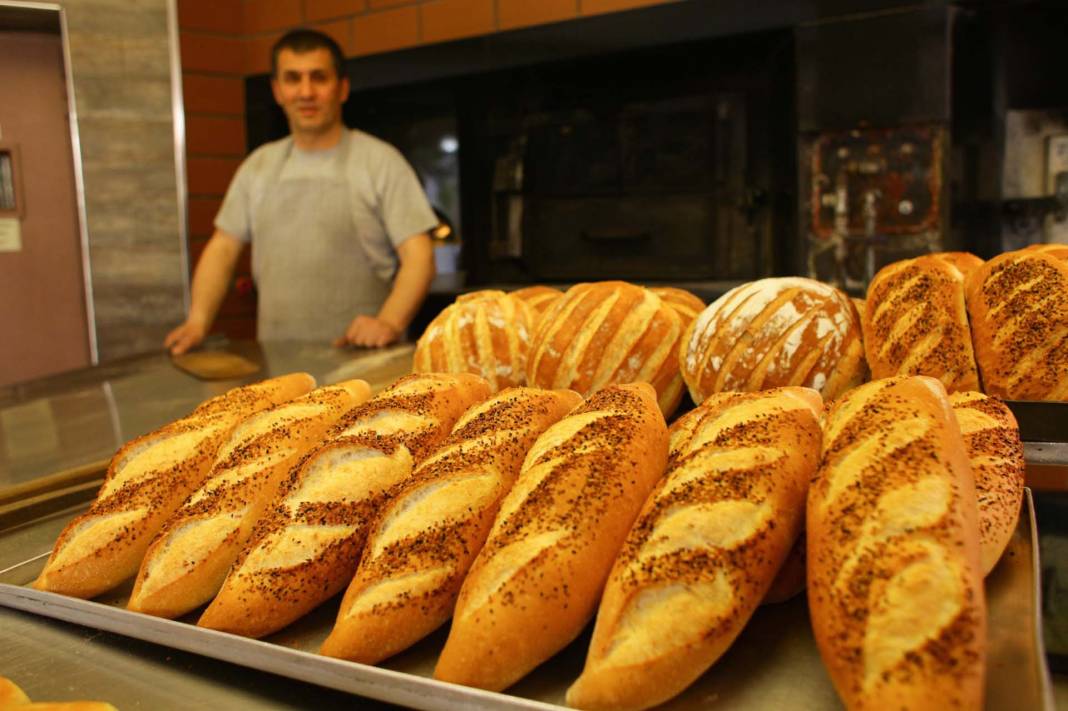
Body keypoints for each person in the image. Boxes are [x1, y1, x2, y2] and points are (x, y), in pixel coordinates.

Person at [165, 29, 437, 354]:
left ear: (342, 88)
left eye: (319, 78)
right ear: (278, 91)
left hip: (365, 364)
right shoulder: (258, 166)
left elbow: (420, 255)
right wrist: (198, 322)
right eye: (293, 79)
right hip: (277, 366)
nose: (306, 92)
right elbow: (223, 248)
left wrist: (390, 322)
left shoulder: (380, 161)